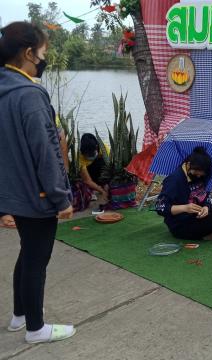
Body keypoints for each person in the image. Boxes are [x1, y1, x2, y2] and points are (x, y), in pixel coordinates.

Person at [0, 21, 76, 343]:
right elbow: (45, 153)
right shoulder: (30, 94)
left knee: (27, 252)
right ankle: (35, 328)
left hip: (12, 192)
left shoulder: (4, 87)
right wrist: (61, 198)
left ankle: (19, 316)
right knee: (36, 259)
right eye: (43, 53)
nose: (44, 59)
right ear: (29, 53)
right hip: (36, 194)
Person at [155, 146, 212, 240]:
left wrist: (206, 207)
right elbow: (159, 207)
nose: (199, 175)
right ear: (189, 164)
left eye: (202, 173)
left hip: (199, 214)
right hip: (182, 223)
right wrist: (185, 208)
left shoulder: (202, 175)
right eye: (196, 172)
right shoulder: (175, 180)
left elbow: (207, 194)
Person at [79, 133, 109, 198]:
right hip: (90, 176)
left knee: (102, 161)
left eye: (92, 153)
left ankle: (104, 184)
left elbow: (110, 168)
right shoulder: (80, 157)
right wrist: (102, 191)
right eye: (88, 155)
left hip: (102, 175)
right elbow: (87, 180)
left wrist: (106, 184)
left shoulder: (103, 148)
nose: (90, 156)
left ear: (96, 146)